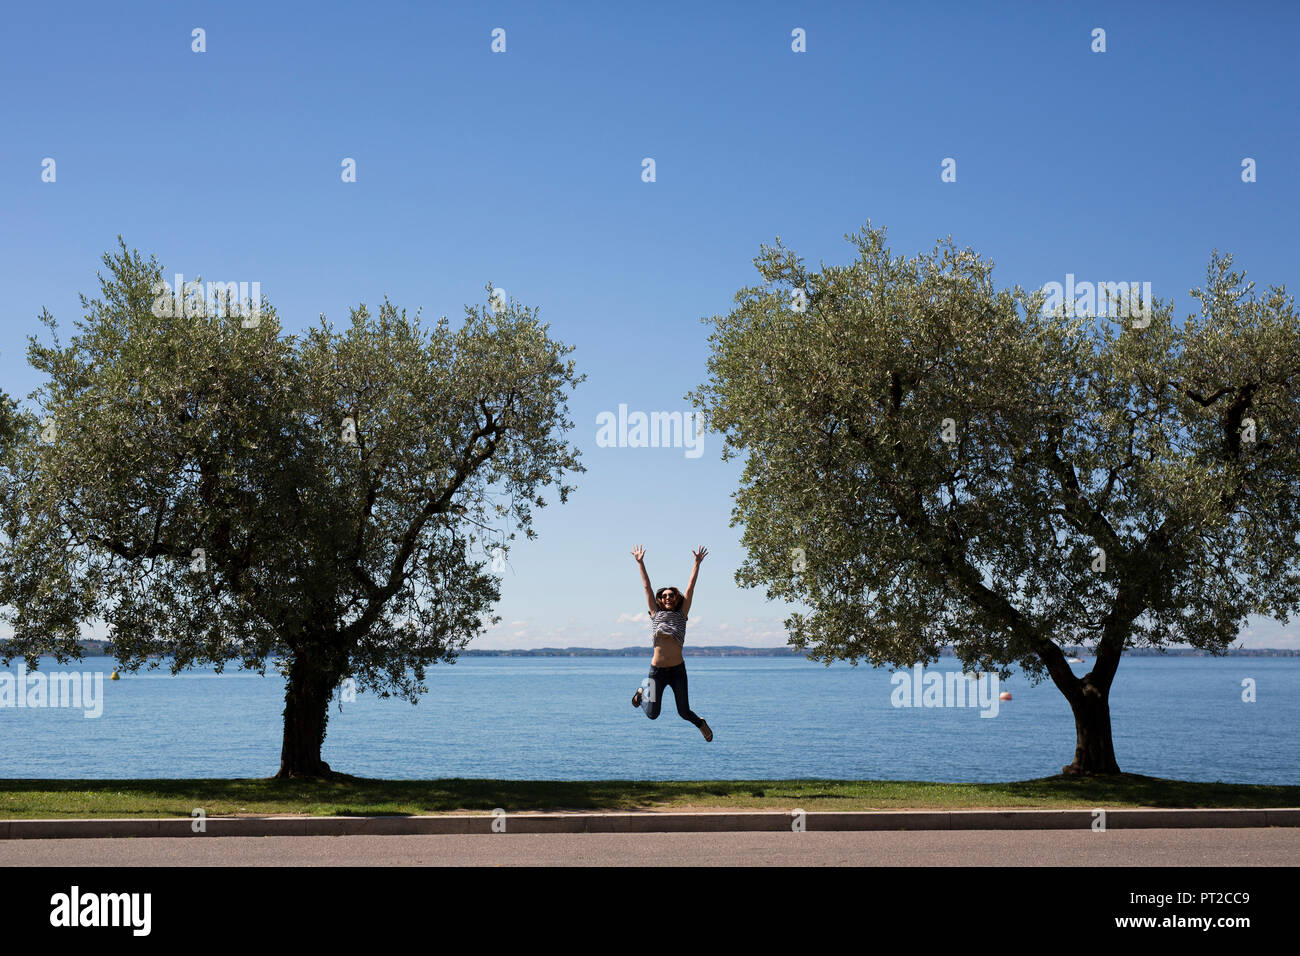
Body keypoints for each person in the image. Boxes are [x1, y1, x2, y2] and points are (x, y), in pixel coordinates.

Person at [629, 545, 713, 742]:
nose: (667, 597)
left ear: (676, 598)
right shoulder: (655, 613)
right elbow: (646, 587)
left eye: (671, 595)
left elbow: (690, 588)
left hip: (677, 671)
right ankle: (641, 694)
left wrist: (697, 564)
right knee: (652, 714)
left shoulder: (681, 614)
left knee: (684, 712)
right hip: (656, 671)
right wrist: (640, 563)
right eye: (664, 596)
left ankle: (701, 723)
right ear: (659, 599)